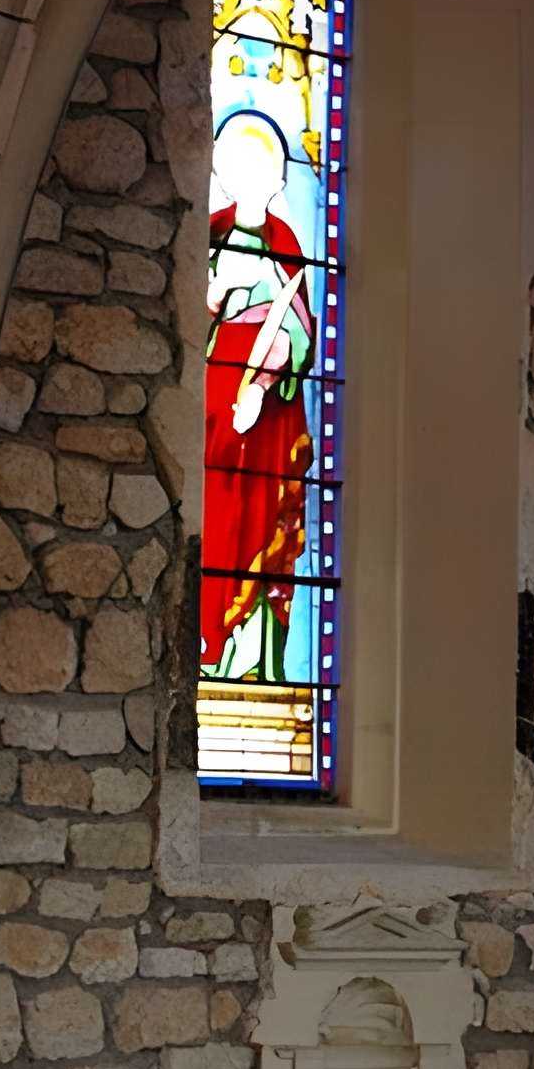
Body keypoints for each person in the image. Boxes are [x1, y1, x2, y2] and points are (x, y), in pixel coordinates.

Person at [203, 109, 318, 679]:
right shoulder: (211, 233)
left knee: (265, 517)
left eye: (261, 167)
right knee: (220, 514)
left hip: (268, 411)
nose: (250, 177)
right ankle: (213, 649)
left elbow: (299, 326)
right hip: (216, 392)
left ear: (276, 177)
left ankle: (255, 659)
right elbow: (192, 318)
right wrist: (217, 292)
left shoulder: (289, 242)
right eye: (237, 165)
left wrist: (269, 382)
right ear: (222, 170)